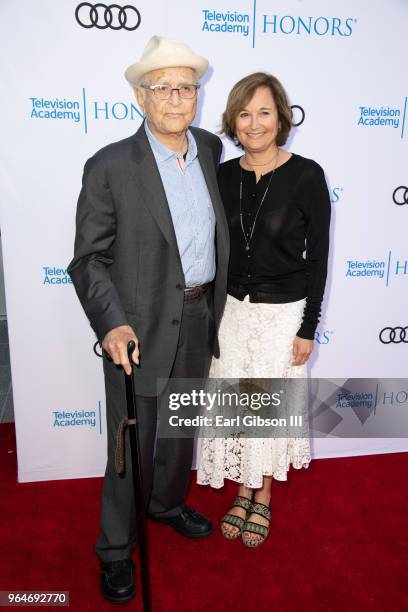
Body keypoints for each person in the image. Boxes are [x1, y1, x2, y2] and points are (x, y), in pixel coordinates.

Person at [68, 36, 229, 603]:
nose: (178, 99)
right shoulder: (111, 165)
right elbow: (88, 258)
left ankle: (165, 504)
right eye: (164, 88)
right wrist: (111, 323)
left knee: (181, 427)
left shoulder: (210, 149)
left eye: (188, 88)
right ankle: (116, 548)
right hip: (134, 330)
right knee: (127, 444)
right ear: (141, 96)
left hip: (200, 312)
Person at [197, 72, 331, 547]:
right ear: (233, 121)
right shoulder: (223, 175)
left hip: (282, 317)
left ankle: (264, 494)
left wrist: (308, 327)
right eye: (244, 113)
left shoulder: (307, 175)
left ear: (282, 118)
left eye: (264, 112)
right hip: (232, 313)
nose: (254, 123)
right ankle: (241, 488)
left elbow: (318, 259)